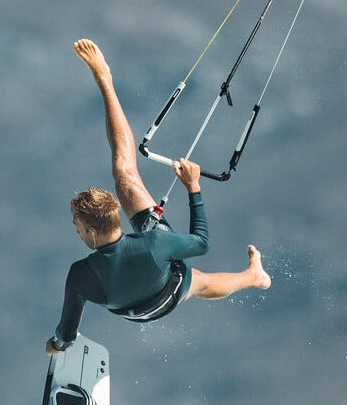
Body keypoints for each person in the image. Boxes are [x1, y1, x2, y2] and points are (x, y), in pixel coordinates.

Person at [47, 39, 271, 354]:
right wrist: (193, 187)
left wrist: (56, 346)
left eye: (79, 227)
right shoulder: (155, 243)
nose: (77, 232)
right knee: (199, 281)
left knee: (125, 176)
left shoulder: (81, 275)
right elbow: (201, 243)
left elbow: (66, 333)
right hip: (171, 290)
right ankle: (252, 276)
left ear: (93, 231)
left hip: (142, 307)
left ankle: (104, 79)